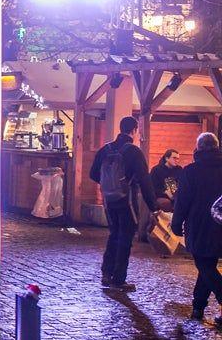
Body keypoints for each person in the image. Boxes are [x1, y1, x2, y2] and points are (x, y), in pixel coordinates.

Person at [89, 116, 159, 292]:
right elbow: (144, 179)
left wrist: (108, 183)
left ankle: (106, 273)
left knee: (114, 234)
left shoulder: (106, 149)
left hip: (109, 200)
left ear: (121, 128)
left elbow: (93, 173)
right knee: (126, 237)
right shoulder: (134, 152)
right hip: (126, 200)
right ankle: (119, 279)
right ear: (134, 130)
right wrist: (153, 207)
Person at [172, 132, 222, 323]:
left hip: (199, 225)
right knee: (207, 266)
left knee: (203, 264)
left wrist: (176, 223)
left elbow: (183, 201)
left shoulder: (191, 171)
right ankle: (198, 308)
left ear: (198, 148)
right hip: (219, 224)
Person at [150, 148, 183, 213]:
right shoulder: (156, 170)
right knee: (166, 203)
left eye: (178, 158)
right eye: (174, 158)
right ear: (166, 158)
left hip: (176, 195)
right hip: (161, 195)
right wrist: (165, 192)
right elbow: (152, 187)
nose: (177, 160)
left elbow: (182, 183)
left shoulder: (179, 169)